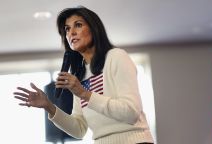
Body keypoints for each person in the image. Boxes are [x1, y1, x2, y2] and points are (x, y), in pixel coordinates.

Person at [13, 6, 154, 144]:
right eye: (67, 29)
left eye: (78, 25)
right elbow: (79, 129)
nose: (71, 32)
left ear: (94, 29)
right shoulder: (79, 75)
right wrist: (49, 106)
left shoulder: (116, 57)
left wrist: (84, 93)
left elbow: (131, 112)